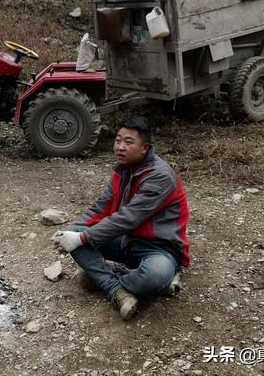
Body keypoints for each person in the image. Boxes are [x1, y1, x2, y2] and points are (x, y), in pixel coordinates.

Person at [51, 116, 189, 320]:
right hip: (127, 241)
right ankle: (119, 291)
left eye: (128, 142)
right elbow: (101, 209)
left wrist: (81, 239)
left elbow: (128, 218)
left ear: (145, 148)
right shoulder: (122, 171)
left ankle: (107, 282)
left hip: (160, 248)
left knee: (153, 276)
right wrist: (72, 232)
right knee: (76, 232)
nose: (120, 147)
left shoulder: (160, 176)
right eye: (118, 140)